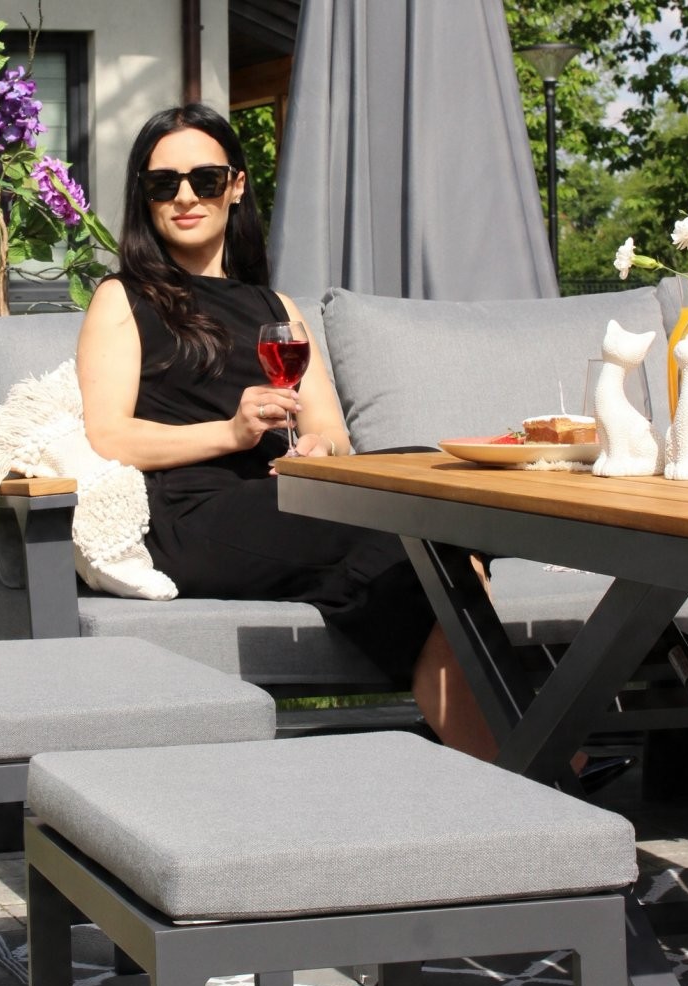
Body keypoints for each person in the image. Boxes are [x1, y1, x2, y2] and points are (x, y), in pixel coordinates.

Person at [74, 102, 503, 760]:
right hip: (191, 513)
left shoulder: (274, 307)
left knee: (426, 479)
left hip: (280, 499)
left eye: (205, 179)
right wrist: (232, 432)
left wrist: (317, 448)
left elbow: (331, 431)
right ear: (145, 196)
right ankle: (531, 758)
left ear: (236, 186)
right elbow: (109, 436)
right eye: (164, 184)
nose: (185, 197)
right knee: (419, 530)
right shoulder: (124, 297)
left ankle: (506, 757)